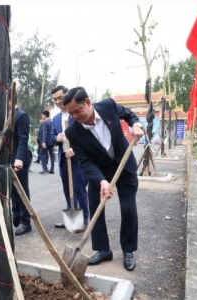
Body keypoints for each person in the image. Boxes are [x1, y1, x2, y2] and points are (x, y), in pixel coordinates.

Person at [62, 86, 143, 272]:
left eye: (77, 111)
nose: (74, 116)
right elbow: (85, 161)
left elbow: (129, 114)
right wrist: (101, 181)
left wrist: (136, 125)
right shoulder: (73, 131)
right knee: (95, 207)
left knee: (128, 208)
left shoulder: (108, 106)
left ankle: (128, 250)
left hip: (124, 165)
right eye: (70, 113)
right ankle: (103, 250)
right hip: (98, 171)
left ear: (88, 103)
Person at [50, 85, 89, 228]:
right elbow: (51, 137)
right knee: (67, 189)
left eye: (60, 98)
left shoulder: (76, 114)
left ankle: (85, 219)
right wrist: (57, 138)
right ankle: (71, 215)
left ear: (66, 96)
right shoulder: (55, 119)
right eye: (55, 99)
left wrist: (75, 149)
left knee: (79, 188)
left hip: (78, 160)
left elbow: (86, 136)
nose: (58, 101)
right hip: (63, 159)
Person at [10, 96, 32, 236]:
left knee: (22, 190)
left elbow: (23, 140)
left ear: (12, 100)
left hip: (20, 159)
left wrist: (19, 159)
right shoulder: (5, 117)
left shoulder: (21, 116)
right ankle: (16, 216)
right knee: (12, 191)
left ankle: (25, 222)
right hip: (8, 159)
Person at [39, 110, 55, 174]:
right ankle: (52, 169)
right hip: (52, 141)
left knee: (41, 153)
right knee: (52, 155)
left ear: (45, 115)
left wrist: (43, 142)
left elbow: (45, 133)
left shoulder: (45, 123)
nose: (42, 116)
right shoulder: (52, 121)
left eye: (42, 115)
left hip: (46, 142)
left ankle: (45, 168)